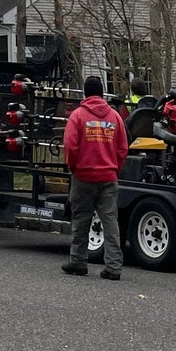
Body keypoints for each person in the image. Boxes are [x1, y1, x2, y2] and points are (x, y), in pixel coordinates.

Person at [62, 75, 129, 280]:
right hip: (108, 176)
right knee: (110, 221)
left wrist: (74, 168)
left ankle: (78, 262)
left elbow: (70, 146)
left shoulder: (78, 116)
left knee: (81, 220)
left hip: (83, 175)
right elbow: (123, 148)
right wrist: (114, 168)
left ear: (85, 92)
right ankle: (113, 267)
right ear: (101, 92)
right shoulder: (115, 116)